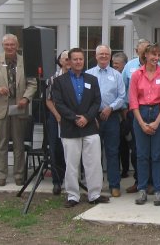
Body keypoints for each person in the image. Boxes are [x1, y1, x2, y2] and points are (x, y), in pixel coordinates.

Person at [52, 48, 109, 207]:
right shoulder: (59, 81)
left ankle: (95, 194)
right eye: (75, 59)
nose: (78, 62)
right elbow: (59, 104)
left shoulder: (91, 79)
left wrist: (87, 117)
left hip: (89, 126)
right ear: (69, 62)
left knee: (93, 162)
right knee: (71, 163)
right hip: (70, 128)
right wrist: (75, 118)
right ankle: (72, 196)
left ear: (84, 61)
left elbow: (96, 101)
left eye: (81, 59)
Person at [0, 34, 37, 186]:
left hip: (18, 105)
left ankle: (19, 175)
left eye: (12, 44)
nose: (10, 47)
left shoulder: (24, 61)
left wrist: (26, 99)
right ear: (3, 45)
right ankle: (1, 175)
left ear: (17, 45)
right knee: (2, 143)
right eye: (7, 45)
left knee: (19, 143)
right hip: (1, 106)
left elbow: (32, 83)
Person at [128, 43, 160, 206]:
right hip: (140, 113)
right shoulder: (136, 75)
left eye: (158, 55)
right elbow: (133, 101)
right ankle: (142, 189)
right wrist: (141, 122)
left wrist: (157, 121)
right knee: (142, 155)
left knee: (158, 155)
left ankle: (158, 190)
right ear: (145, 55)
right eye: (153, 55)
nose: (156, 58)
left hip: (158, 114)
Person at [86, 45, 126, 197]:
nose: (103, 56)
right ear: (96, 56)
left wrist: (110, 108)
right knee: (93, 154)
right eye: (100, 54)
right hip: (93, 119)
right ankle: (95, 185)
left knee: (112, 152)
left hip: (111, 118)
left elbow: (122, 97)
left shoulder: (116, 75)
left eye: (106, 54)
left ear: (110, 56)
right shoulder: (88, 74)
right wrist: (91, 115)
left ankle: (114, 185)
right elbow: (85, 98)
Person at [122, 39, 150, 193]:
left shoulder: (157, 66)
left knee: (152, 150)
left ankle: (151, 182)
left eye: (148, 49)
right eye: (143, 49)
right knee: (136, 149)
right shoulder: (129, 66)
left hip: (152, 111)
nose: (146, 52)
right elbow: (123, 88)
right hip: (133, 112)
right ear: (136, 50)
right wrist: (125, 109)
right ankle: (139, 181)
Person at [45, 50, 70, 195]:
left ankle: (71, 180)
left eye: (69, 59)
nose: (67, 61)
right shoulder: (53, 78)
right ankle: (56, 181)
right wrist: (57, 115)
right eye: (64, 59)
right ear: (60, 61)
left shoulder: (76, 78)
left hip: (71, 118)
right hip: (56, 118)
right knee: (55, 149)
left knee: (70, 150)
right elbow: (48, 100)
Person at [111, 52, 130, 178]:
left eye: (117, 64)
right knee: (116, 144)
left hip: (127, 112)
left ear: (124, 64)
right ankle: (116, 170)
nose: (114, 66)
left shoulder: (126, 75)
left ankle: (125, 169)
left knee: (125, 144)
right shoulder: (112, 75)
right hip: (115, 113)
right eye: (113, 63)